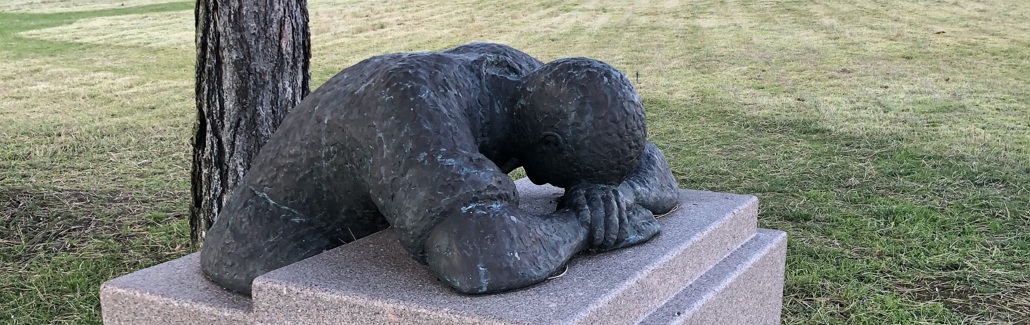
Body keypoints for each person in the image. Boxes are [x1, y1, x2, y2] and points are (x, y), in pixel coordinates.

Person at [200, 42, 679, 295]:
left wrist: (620, 197)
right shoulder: (416, 104)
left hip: (373, 218)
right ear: (547, 148)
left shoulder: (533, 88)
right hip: (277, 248)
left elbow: (653, 168)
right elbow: (475, 258)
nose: (568, 187)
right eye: (570, 177)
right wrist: (585, 223)